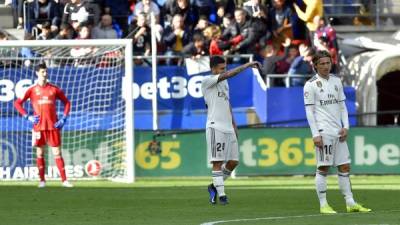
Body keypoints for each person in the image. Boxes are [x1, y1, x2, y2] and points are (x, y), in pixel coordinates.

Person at [303, 50, 371, 214]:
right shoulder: (310, 85)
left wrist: (346, 126)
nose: (326, 66)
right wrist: (315, 134)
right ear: (316, 66)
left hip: (338, 131)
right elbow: (309, 112)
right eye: (322, 63)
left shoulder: (336, 81)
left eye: (328, 63)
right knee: (323, 168)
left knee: (345, 167)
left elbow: (342, 107)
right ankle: (323, 204)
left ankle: (350, 202)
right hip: (323, 131)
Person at [201, 56, 261, 205]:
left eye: (225, 67)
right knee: (217, 161)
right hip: (215, 126)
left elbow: (227, 104)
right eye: (221, 68)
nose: (224, 71)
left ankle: (214, 186)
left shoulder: (225, 83)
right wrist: (246, 65)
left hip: (228, 127)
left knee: (234, 162)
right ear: (213, 69)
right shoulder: (207, 81)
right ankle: (222, 196)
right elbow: (228, 75)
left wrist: (234, 124)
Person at [14, 63, 73, 188]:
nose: (45, 74)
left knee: (57, 152)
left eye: (46, 71)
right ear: (37, 73)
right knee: (40, 153)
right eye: (42, 72)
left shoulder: (54, 89)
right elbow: (17, 103)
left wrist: (64, 118)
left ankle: (64, 181)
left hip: (53, 126)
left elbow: (67, 102)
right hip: (38, 127)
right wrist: (27, 116)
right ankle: (42, 181)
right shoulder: (31, 90)